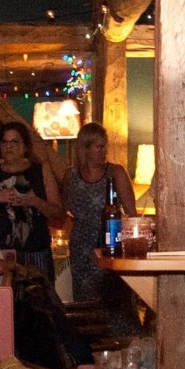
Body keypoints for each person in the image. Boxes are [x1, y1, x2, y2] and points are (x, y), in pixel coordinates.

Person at [64, 123, 133, 309]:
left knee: (114, 300)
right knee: (85, 301)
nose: (104, 151)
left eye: (105, 146)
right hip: (81, 248)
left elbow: (131, 214)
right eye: (99, 147)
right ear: (85, 148)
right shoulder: (71, 176)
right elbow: (64, 209)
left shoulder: (115, 173)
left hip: (109, 244)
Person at [0, 121, 63, 282]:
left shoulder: (41, 170)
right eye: (5, 142)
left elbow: (58, 213)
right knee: (5, 303)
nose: (9, 147)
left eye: (15, 141)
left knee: (41, 301)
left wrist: (34, 201)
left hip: (36, 251)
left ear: (25, 146)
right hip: (1, 253)